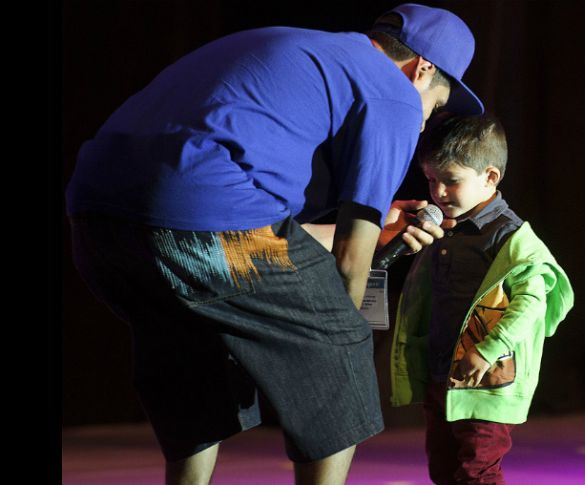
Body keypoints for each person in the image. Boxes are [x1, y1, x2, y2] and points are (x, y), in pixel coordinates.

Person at [65, 4, 483, 485]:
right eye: (434, 107)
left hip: (98, 225)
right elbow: (350, 261)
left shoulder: (302, 50)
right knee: (341, 342)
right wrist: (336, 328)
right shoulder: (394, 92)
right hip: (204, 224)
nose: (425, 122)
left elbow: (240, 240)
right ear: (421, 69)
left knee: (193, 346)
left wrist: (380, 227)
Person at [390, 113, 575, 484]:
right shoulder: (444, 227)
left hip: (488, 380)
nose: (438, 192)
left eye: (451, 181)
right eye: (431, 180)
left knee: (478, 470)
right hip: (443, 375)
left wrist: (487, 350)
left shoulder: (510, 237)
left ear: (490, 177)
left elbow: (531, 305)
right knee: (443, 469)